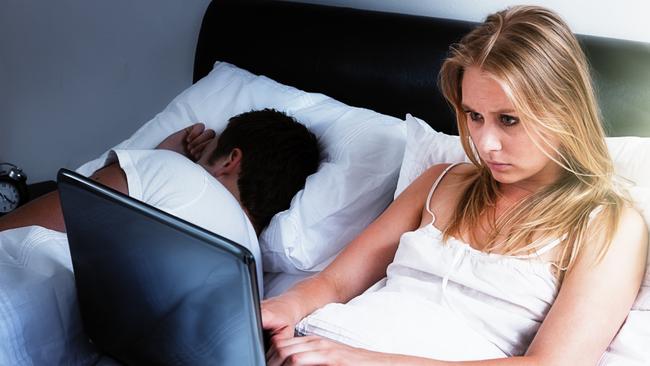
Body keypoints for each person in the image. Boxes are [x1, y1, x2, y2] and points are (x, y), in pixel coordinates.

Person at [262, 6, 648, 365]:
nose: (485, 143)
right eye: (474, 116)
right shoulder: (441, 183)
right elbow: (336, 281)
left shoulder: (608, 227)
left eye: (509, 120)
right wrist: (282, 307)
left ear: (563, 110)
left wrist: (362, 358)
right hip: (318, 344)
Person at [0, 108, 321, 238]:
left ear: (231, 160)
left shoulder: (169, 169)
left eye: (211, 149)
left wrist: (160, 156)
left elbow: (15, 230)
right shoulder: (253, 270)